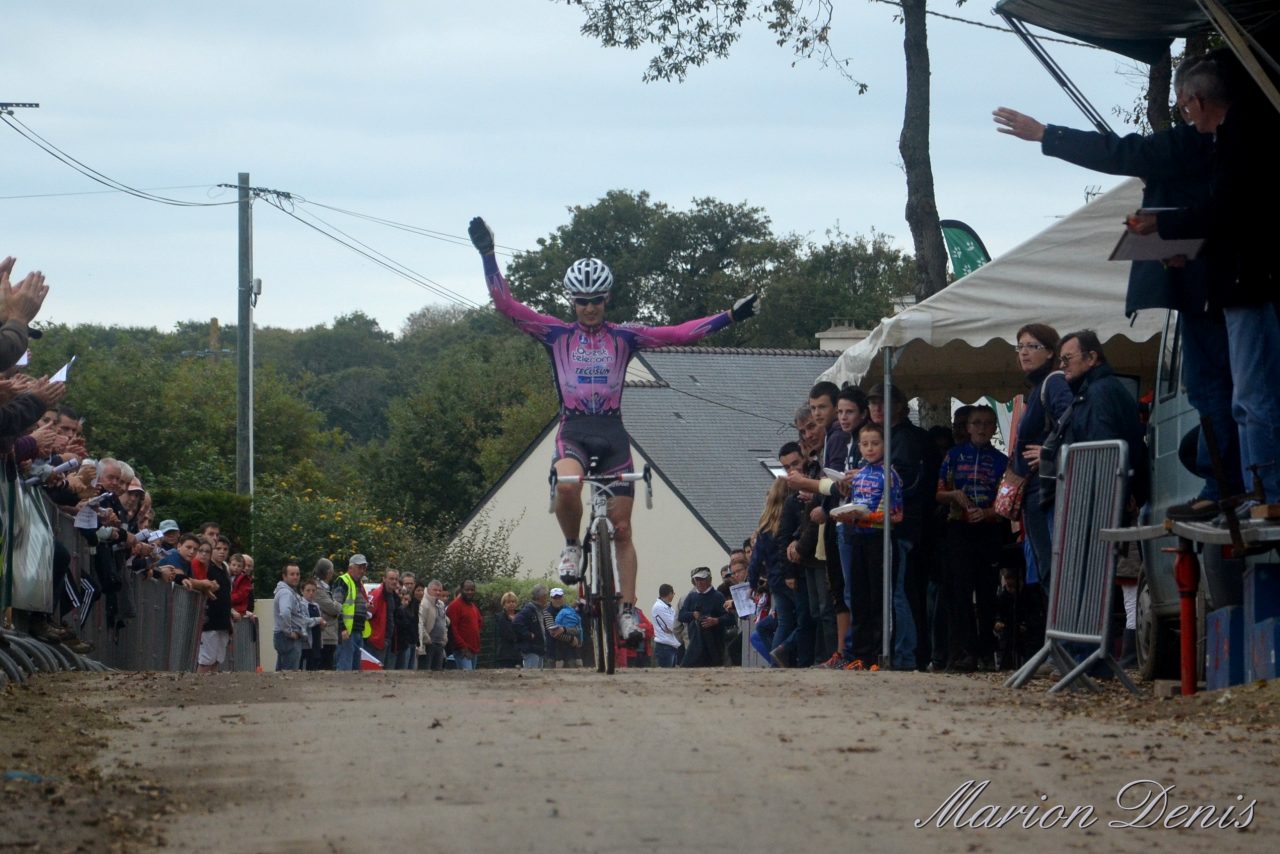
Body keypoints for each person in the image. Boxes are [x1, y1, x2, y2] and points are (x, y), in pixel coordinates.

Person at [468, 216, 758, 644]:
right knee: (568, 484)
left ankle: (626, 609)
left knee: (621, 528)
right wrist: (488, 254)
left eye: (597, 300)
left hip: (612, 433)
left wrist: (729, 316)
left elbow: (676, 334)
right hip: (574, 429)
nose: (590, 308)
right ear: (572, 301)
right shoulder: (555, 334)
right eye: (583, 300)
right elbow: (507, 307)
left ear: (607, 300)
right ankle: (571, 544)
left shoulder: (625, 337)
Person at [994, 80, 1238, 517]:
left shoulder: (1195, 145)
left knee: (1213, 388)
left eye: (1184, 106)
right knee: (1216, 390)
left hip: (1214, 287)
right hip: (1215, 284)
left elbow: (1125, 151)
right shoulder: (1217, 149)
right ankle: (1227, 481)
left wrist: (1046, 135)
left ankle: (1227, 484)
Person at [1129, 53, 1280, 509]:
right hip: (1234, 282)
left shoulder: (1244, 138)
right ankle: (1254, 487)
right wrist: (1185, 251)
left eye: (1181, 104)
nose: (1181, 113)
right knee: (1243, 399)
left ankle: (1267, 489)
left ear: (1196, 100)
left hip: (1249, 284)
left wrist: (1164, 229)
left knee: (1253, 396)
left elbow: (1229, 214)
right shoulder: (1232, 138)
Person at [936, 405, 1008, 672]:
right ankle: (964, 652)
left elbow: (1008, 501)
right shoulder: (953, 456)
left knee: (988, 592)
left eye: (987, 423)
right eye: (976, 423)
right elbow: (939, 492)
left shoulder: (1002, 460)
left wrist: (988, 513)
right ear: (967, 427)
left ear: (993, 429)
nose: (981, 428)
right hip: (958, 529)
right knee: (960, 593)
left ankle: (987, 651)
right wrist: (954, 496)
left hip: (988, 531)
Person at [830, 422, 903, 669]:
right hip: (857, 538)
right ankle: (860, 655)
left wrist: (864, 517)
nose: (870, 449)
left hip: (879, 540)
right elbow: (854, 505)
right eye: (865, 444)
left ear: (885, 445)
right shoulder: (858, 475)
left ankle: (881, 655)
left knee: (879, 598)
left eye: (875, 443)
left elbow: (896, 515)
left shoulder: (890, 475)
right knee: (858, 598)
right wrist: (846, 515)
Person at [1009, 324, 1072, 593]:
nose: (1024, 352)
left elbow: (1073, 419)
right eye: (1020, 346)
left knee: (1053, 568)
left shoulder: (1053, 382)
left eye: (1032, 346)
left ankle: (1063, 634)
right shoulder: (1037, 389)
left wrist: (1049, 451)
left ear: (1049, 352)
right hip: (1036, 490)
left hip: (1047, 490)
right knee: (1045, 568)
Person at [678, 566, 732, 667]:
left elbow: (730, 618)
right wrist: (693, 615)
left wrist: (716, 620)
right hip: (695, 643)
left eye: (702, 579)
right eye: (697, 580)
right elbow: (681, 616)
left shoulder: (718, 596)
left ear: (709, 580)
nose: (699, 582)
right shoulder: (691, 597)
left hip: (715, 645)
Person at [273, 563, 319, 671]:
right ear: (284, 576)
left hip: (284, 636)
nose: (295, 577)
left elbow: (297, 617)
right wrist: (289, 632)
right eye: (292, 574)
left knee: (282, 671)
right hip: (287, 638)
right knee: (289, 673)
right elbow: (285, 613)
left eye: (297, 574)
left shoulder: (289, 592)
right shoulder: (286, 593)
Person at [333, 554, 372, 671]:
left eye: (364, 567)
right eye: (359, 567)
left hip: (357, 631)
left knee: (355, 669)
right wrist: (342, 628)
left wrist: (365, 607)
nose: (362, 570)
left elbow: (352, 605)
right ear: (350, 568)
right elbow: (336, 606)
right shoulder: (343, 581)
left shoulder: (358, 584)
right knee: (345, 668)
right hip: (347, 632)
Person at [445, 579, 483, 670]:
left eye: (472, 590)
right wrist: (463, 648)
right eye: (467, 590)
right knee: (467, 678)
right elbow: (453, 630)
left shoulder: (473, 606)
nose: (469, 592)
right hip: (462, 651)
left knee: (472, 678)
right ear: (461, 590)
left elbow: (479, 622)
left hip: (473, 649)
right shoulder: (454, 606)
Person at [514, 585, 554, 669]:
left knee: (538, 676)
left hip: (539, 649)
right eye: (546, 596)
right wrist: (528, 634)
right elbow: (516, 622)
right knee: (531, 675)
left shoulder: (540, 610)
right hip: (531, 649)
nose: (547, 599)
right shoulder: (528, 610)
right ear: (540, 597)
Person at [366, 569, 400, 667]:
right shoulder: (377, 594)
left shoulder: (393, 596)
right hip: (376, 640)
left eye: (396, 579)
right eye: (391, 579)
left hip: (388, 640)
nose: (394, 581)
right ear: (384, 579)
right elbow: (367, 615)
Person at [312, 558, 341, 670]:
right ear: (329, 572)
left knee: (328, 665)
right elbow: (333, 608)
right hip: (324, 636)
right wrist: (337, 605)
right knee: (324, 667)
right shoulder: (318, 589)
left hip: (329, 634)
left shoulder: (324, 588)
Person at [417, 579, 449, 671]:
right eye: (435, 590)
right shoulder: (424, 604)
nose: (438, 592)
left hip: (439, 643)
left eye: (439, 590)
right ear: (429, 589)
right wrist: (427, 639)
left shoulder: (441, 604)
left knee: (438, 672)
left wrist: (445, 638)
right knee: (425, 671)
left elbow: (443, 622)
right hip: (428, 644)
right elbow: (420, 623)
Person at [651, 583, 680, 668]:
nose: (673, 596)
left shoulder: (668, 607)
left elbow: (675, 625)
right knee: (666, 673)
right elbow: (674, 626)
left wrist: (674, 628)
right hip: (664, 647)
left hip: (671, 645)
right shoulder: (659, 607)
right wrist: (675, 628)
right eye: (673, 593)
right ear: (669, 593)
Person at [494, 591, 522, 668]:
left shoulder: (521, 616)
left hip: (519, 654)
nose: (511, 604)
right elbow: (509, 635)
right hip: (505, 655)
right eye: (508, 602)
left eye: (513, 601)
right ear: (503, 604)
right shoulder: (500, 617)